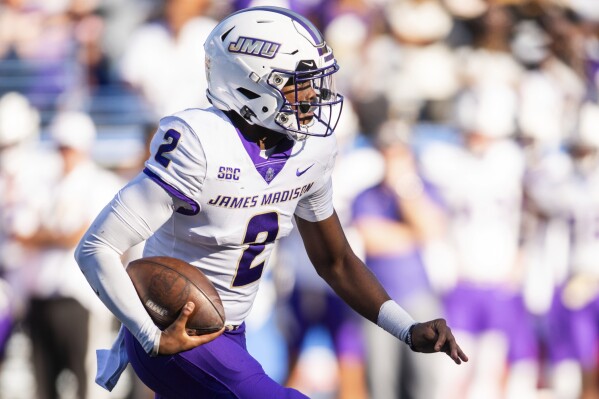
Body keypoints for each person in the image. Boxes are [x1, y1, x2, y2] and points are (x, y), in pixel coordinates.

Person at [75, 7, 468, 398]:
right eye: (299, 83)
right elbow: (96, 247)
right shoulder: (199, 141)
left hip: (233, 333)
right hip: (179, 333)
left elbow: (337, 262)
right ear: (251, 83)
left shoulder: (310, 150)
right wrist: (150, 337)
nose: (314, 95)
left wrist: (408, 327)